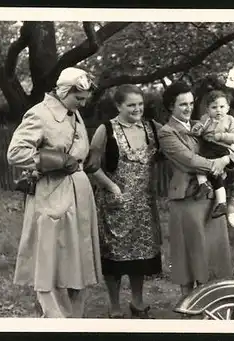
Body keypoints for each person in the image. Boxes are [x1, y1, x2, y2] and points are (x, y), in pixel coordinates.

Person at [7, 67, 102, 318]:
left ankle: (73, 318)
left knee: (75, 259)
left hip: (79, 193)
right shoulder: (40, 114)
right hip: (53, 193)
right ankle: (54, 317)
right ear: (63, 92)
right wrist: (56, 160)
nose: (82, 104)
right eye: (77, 98)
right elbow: (15, 152)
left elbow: (75, 147)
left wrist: (89, 155)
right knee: (50, 256)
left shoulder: (74, 114)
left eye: (84, 99)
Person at [86, 84, 163, 319]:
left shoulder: (152, 127)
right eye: (131, 105)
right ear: (118, 106)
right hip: (115, 205)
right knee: (115, 259)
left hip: (143, 205)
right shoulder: (106, 130)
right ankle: (114, 305)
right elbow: (90, 166)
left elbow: (177, 141)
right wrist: (112, 187)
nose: (137, 109)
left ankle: (138, 302)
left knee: (140, 258)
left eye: (140, 104)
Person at [158, 81, 233, 297]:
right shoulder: (167, 133)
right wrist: (216, 164)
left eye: (191, 103)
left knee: (214, 252)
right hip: (187, 199)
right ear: (171, 106)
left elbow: (226, 148)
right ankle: (188, 303)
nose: (188, 108)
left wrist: (228, 158)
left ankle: (215, 299)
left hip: (211, 199)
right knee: (189, 252)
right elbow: (188, 160)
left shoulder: (203, 125)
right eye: (183, 104)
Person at [190, 89, 234, 218]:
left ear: (228, 108)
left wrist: (222, 136)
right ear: (207, 109)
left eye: (222, 107)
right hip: (208, 148)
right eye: (214, 107)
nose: (218, 110)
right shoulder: (206, 119)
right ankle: (209, 190)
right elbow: (199, 128)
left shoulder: (230, 120)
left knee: (206, 165)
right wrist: (197, 130)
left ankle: (214, 195)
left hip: (222, 149)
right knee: (204, 166)